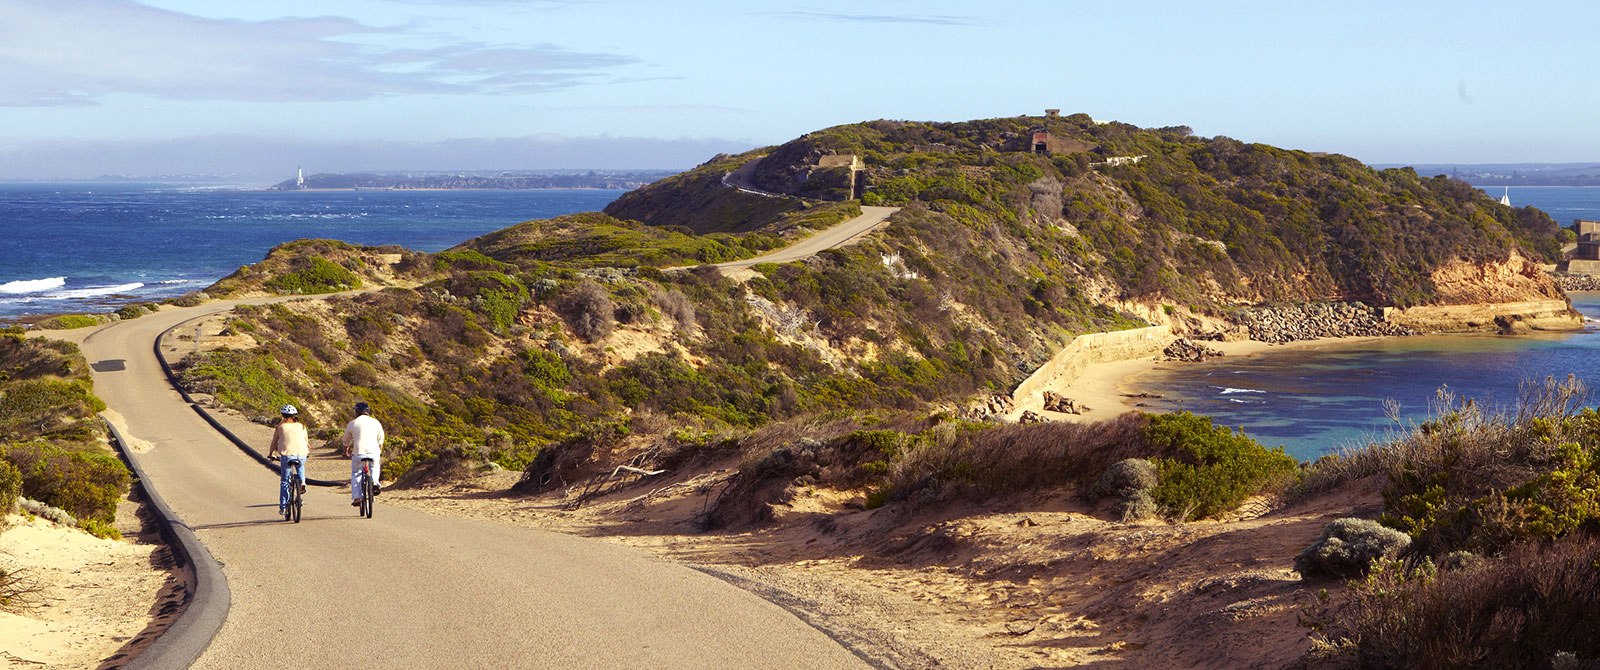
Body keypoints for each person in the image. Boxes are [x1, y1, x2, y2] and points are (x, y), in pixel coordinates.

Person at [266, 404, 309, 516]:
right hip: (302, 453)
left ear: (283, 416)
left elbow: (274, 442)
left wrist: (271, 454)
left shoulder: (280, 427)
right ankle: (302, 482)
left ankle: (283, 507)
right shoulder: (302, 426)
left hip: (287, 455)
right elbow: (306, 442)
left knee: (285, 481)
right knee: (300, 465)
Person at [341, 401, 385, 507]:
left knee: (356, 474)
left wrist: (345, 452)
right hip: (374, 452)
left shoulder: (353, 423)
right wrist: (379, 451)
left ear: (357, 412)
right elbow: (381, 439)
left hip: (359, 453)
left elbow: (345, 440)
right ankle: (374, 483)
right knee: (375, 467)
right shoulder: (375, 422)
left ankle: (357, 498)